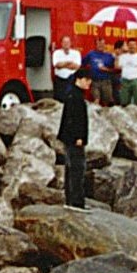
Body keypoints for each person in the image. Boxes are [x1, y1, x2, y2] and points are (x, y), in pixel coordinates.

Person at [57, 68, 93, 209]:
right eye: (86, 80)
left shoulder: (73, 95)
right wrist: (78, 137)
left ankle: (70, 199)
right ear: (79, 79)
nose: (88, 83)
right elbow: (74, 119)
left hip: (71, 138)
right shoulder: (75, 97)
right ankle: (76, 202)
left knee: (71, 168)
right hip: (75, 139)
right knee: (77, 169)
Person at [83, 37, 115, 107]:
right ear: (95, 45)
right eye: (99, 44)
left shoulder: (109, 56)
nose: (101, 46)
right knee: (96, 100)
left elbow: (115, 70)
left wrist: (106, 69)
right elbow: (83, 64)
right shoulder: (91, 54)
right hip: (94, 82)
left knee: (107, 102)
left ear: (105, 45)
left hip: (106, 82)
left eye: (102, 44)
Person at [51, 35, 82, 103]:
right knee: (59, 100)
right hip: (59, 80)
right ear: (61, 43)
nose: (66, 44)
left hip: (72, 79)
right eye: (64, 42)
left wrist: (63, 64)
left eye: (68, 42)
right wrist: (68, 63)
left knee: (71, 99)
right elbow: (56, 65)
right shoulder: (56, 53)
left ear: (70, 43)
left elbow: (77, 66)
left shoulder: (76, 53)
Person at [117, 41, 137, 107]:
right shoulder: (122, 57)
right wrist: (118, 55)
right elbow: (117, 67)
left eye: (133, 45)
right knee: (124, 103)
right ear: (127, 46)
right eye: (130, 45)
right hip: (125, 81)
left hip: (136, 81)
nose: (132, 46)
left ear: (136, 46)